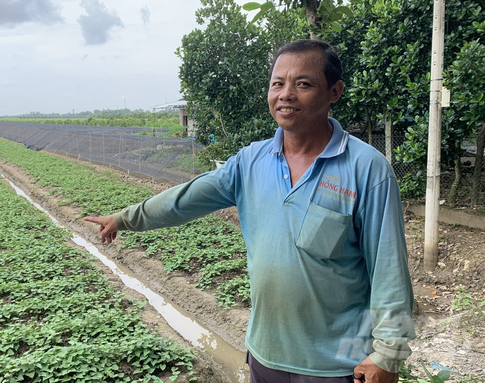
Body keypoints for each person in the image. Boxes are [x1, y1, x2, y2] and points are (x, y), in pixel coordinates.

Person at [84, 39, 415, 383]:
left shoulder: (367, 169)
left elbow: (389, 268)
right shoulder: (251, 161)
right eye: (277, 84)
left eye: (302, 84)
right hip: (265, 354)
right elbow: (185, 199)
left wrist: (389, 355)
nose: (286, 94)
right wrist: (124, 218)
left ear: (334, 91)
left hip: (335, 366)